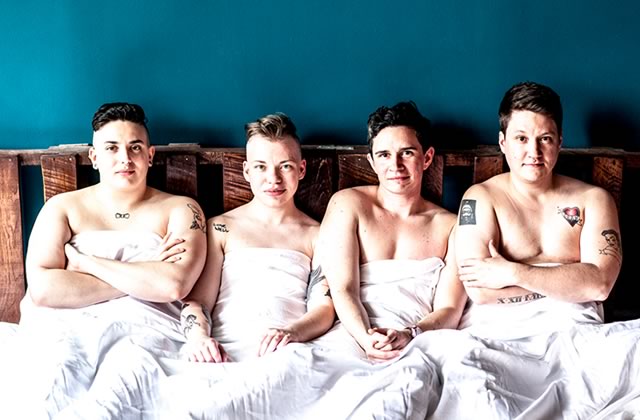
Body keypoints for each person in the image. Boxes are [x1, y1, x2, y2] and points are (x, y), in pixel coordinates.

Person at [456, 81, 621, 323]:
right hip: (496, 326)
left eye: (545, 139)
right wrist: (570, 284)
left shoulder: (594, 200)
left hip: (574, 326)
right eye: (521, 138)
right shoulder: (480, 199)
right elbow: (480, 291)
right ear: (503, 142)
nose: (534, 152)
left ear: (559, 142)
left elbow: (600, 285)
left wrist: (514, 272)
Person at [318, 101, 467, 361]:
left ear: (427, 157)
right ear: (372, 161)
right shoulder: (348, 205)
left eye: (407, 153)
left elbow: (450, 308)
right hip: (351, 332)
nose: (395, 165)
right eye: (384, 155)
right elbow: (343, 288)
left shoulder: (450, 227)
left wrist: (410, 334)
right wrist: (366, 338)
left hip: (417, 338)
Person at [180, 113, 335, 363]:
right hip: (226, 344)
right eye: (261, 166)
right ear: (246, 171)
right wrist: (199, 339)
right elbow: (199, 302)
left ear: (301, 169)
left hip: (289, 346)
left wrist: (291, 333)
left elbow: (324, 308)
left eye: (285, 166)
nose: (273, 179)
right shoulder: (221, 228)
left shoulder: (317, 234)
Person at [24, 102, 207, 309]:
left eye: (135, 148)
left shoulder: (182, 209)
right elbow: (42, 290)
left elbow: (174, 286)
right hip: (68, 323)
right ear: (94, 157)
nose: (125, 159)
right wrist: (147, 277)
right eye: (112, 148)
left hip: (149, 324)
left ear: (149, 155)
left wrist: (86, 263)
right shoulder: (61, 208)